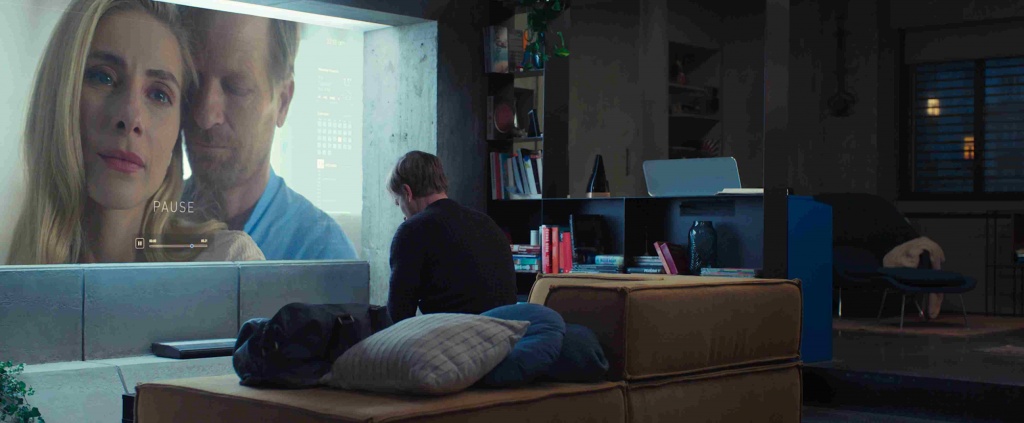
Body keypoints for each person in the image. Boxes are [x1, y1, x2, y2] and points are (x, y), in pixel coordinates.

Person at [6, 0, 263, 264]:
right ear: (60, 92)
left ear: (177, 131)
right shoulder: (17, 267)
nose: (131, 117)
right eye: (104, 77)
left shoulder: (228, 263)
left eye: (159, 94)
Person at [180, 8, 357, 261]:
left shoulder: (322, 254)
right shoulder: (144, 220)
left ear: (283, 102)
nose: (204, 116)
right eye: (192, 82)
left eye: (236, 88)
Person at [386, 151, 517, 322]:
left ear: (407, 192)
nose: (402, 211)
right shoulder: (486, 222)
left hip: (456, 334)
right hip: (504, 333)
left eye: (398, 202)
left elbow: (399, 314)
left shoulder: (412, 230)